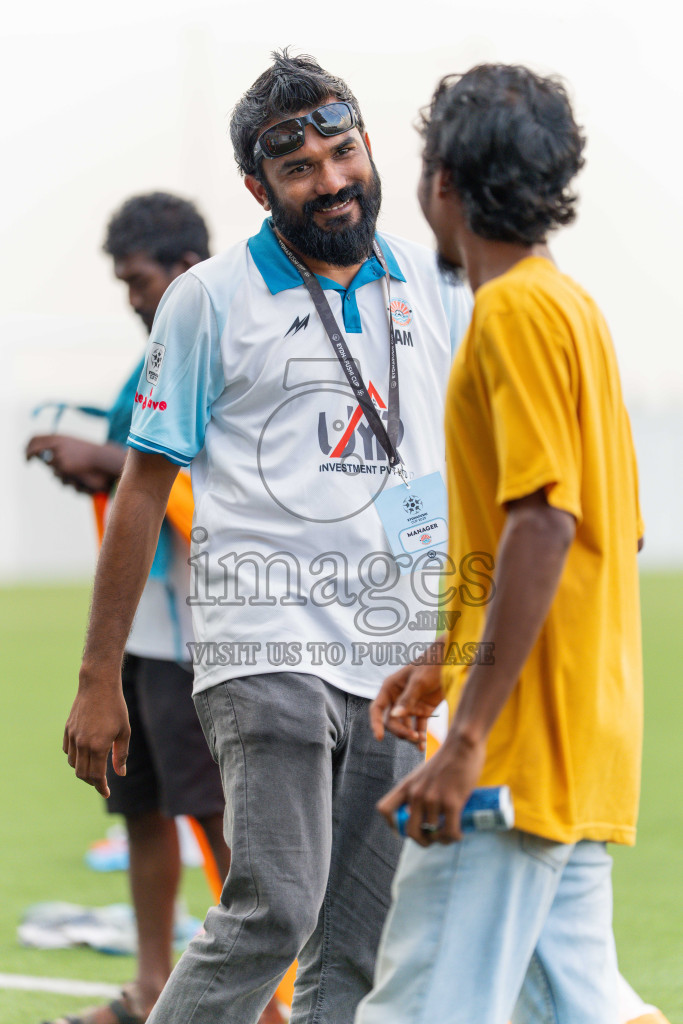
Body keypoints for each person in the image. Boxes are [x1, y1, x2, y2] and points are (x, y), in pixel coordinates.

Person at [60, 50, 472, 1024]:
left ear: (366, 147)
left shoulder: (431, 280)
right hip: (262, 648)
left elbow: (453, 457)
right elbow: (139, 490)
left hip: (392, 663)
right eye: (298, 167)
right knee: (273, 908)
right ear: (257, 185)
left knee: (356, 945)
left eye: (341, 152)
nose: (330, 180)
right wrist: (98, 675)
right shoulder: (207, 299)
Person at [356, 64, 644, 1024]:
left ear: (441, 181)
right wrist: (447, 656)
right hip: (578, 736)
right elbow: (607, 532)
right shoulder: (572, 309)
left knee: (414, 1009)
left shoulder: (511, 315)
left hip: (514, 751)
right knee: (581, 1008)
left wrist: (468, 736)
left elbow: (543, 525)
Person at [27, 193, 235, 1024]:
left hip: (200, 631)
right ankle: (153, 988)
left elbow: (195, 465)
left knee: (221, 822)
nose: (133, 298)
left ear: (185, 268)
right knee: (141, 806)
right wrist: (91, 467)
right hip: (141, 628)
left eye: (139, 279)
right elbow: (140, 469)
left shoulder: (222, 342)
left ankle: (268, 997)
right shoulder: (152, 351)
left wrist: (100, 458)